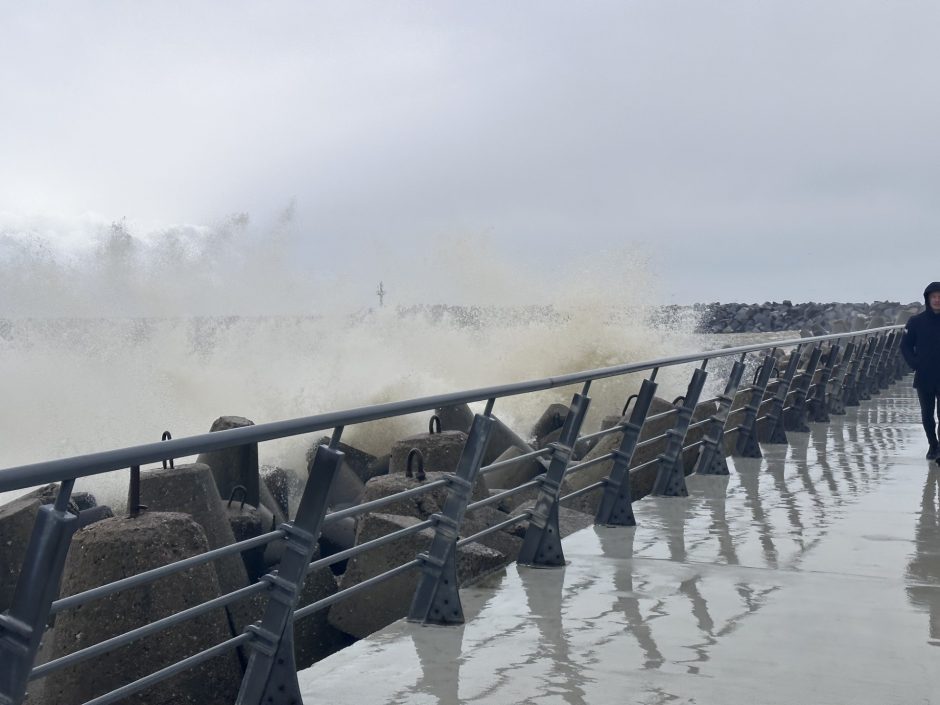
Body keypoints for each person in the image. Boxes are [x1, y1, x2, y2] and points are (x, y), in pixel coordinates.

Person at [901, 282, 940, 460]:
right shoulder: (916, 322)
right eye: (933, 297)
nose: (937, 300)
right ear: (928, 299)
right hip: (924, 376)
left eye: (939, 296)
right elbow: (905, 346)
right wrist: (915, 363)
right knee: (927, 415)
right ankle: (933, 444)